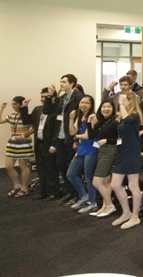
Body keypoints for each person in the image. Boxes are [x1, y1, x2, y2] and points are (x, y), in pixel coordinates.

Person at [45, 74, 84, 203]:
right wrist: (50, 96)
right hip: (60, 136)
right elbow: (47, 110)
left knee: (72, 167)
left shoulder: (78, 97)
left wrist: (76, 139)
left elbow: (80, 117)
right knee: (61, 164)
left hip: (71, 135)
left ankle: (77, 194)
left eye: (64, 82)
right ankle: (69, 191)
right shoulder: (61, 98)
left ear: (72, 83)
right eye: (60, 82)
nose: (61, 84)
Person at [110, 92, 143, 229]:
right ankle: (126, 212)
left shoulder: (135, 116)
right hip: (123, 152)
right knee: (115, 184)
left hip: (131, 153)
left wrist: (122, 103)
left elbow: (127, 119)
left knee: (133, 185)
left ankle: (135, 216)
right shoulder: (124, 117)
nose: (121, 101)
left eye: (124, 100)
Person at [20, 89, 59, 200]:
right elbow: (26, 120)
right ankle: (44, 191)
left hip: (50, 144)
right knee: (41, 169)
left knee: (51, 169)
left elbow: (57, 129)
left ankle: (54, 192)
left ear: (52, 98)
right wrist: (24, 107)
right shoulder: (38, 109)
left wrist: (54, 145)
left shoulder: (55, 111)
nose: (43, 99)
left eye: (45, 97)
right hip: (39, 143)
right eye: (42, 96)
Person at [87, 100, 119, 217]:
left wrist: (107, 140)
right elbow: (92, 135)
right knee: (105, 181)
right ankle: (105, 206)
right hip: (101, 151)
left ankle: (110, 205)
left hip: (110, 151)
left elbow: (121, 139)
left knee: (97, 181)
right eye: (103, 107)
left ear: (113, 108)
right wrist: (89, 123)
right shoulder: (102, 121)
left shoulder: (115, 122)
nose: (106, 109)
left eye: (108, 107)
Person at [66, 95, 99, 212]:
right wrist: (71, 119)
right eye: (82, 102)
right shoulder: (79, 117)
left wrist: (76, 136)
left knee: (89, 177)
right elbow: (72, 132)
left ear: (91, 105)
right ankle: (83, 196)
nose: (83, 105)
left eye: (87, 103)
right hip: (81, 150)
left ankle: (92, 201)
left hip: (91, 150)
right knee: (71, 174)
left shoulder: (93, 117)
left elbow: (88, 135)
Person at [2, 96, 34, 197]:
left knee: (23, 166)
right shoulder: (12, 116)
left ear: (21, 104)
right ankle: (16, 185)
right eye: (13, 104)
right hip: (12, 143)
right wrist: (2, 108)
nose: (13, 106)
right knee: (8, 166)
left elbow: (33, 129)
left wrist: (23, 135)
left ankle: (24, 187)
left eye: (15, 104)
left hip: (23, 143)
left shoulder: (27, 117)